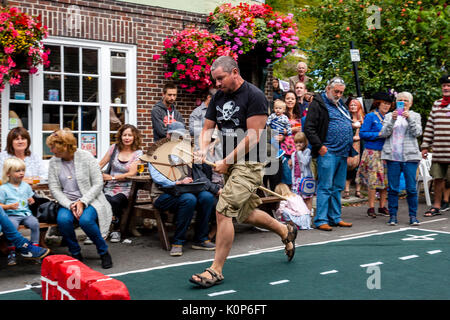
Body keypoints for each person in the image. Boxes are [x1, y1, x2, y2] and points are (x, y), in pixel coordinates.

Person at [189, 56, 297, 288]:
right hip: (232, 163)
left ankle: (215, 270)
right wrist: (202, 150)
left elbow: (254, 136)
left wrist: (226, 161)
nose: (217, 84)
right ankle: (284, 230)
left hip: (252, 163)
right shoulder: (218, 97)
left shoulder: (255, 95)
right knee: (244, 213)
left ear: (234, 72)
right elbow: (208, 128)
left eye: (220, 78)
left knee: (224, 210)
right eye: (215, 80)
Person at [143, 121, 218, 257]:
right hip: (162, 194)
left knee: (206, 197)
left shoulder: (186, 151)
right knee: (188, 200)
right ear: (168, 135)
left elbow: (200, 176)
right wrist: (177, 182)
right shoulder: (156, 152)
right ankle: (178, 242)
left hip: (185, 191)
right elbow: (157, 177)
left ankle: (201, 239)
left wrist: (199, 161)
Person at [46, 129, 113, 269]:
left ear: (64, 146)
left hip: (91, 199)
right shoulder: (53, 162)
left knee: (86, 220)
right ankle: (75, 253)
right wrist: (70, 204)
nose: (51, 150)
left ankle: (103, 251)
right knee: (63, 220)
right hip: (67, 202)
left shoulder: (86, 157)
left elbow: (98, 183)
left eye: (53, 147)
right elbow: (54, 188)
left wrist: (82, 201)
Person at [303, 77, 354, 231]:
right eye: (336, 91)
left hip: (342, 152)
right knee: (325, 186)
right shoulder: (319, 104)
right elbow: (309, 127)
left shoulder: (340, 105)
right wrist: (319, 146)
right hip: (328, 151)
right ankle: (321, 220)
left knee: (337, 187)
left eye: (341, 92)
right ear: (328, 89)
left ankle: (335, 217)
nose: (338, 94)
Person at [379, 92, 422, 225]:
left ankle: (413, 216)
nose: (403, 103)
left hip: (410, 156)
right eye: (400, 101)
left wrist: (409, 119)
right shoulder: (388, 116)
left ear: (410, 103)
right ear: (396, 103)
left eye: (405, 101)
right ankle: (393, 216)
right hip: (393, 156)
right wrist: (392, 119)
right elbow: (384, 133)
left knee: (411, 188)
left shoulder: (415, 115)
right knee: (393, 188)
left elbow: (417, 133)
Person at [98, 124, 143, 243]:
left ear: (134, 137)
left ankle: (116, 230)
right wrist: (96, 173)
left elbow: (131, 173)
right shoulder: (114, 148)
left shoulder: (138, 153)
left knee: (115, 201)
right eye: (124, 135)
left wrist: (112, 177)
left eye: (130, 135)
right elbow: (101, 164)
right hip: (109, 187)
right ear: (120, 136)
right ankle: (100, 231)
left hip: (127, 188)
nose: (127, 138)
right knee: (103, 200)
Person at [356, 92, 392, 218]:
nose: (386, 106)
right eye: (384, 103)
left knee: (385, 180)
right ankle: (371, 207)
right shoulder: (371, 116)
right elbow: (363, 134)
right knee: (373, 180)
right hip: (373, 151)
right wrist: (377, 135)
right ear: (378, 103)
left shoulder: (389, 117)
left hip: (386, 151)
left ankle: (382, 206)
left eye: (388, 104)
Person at [0, 158, 39, 266]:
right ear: (8, 173)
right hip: (12, 215)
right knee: (12, 226)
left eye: (23, 170)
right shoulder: (3, 188)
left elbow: (30, 196)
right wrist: (8, 206)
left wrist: (31, 200)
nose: (21, 173)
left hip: (26, 214)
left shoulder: (26, 186)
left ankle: (34, 248)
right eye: (17, 171)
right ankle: (11, 251)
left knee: (35, 223)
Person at [421, 74, 450, 217]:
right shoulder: (436, 104)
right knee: (438, 179)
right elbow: (430, 126)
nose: (446, 88)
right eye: (444, 85)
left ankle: (446, 201)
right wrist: (425, 146)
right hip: (439, 150)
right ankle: (437, 206)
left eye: (448, 86)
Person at [343, 99, 365, 199]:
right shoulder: (346, 117)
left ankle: (358, 190)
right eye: (351, 105)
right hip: (350, 144)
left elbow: (366, 131)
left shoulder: (363, 118)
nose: (352, 107)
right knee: (349, 167)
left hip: (361, 144)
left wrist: (360, 137)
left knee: (359, 167)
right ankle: (346, 190)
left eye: (355, 105)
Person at [290, 132, 314, 211]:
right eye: (296, 142)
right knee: (298, 200)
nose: (298, 144)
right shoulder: (293, 154)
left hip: (305, 179)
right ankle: (302, 216)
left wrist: (299, 152)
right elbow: (294, 168)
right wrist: (290, 165)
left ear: (305, 142)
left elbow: (305, 162)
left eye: (301, 142)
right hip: (296, 180)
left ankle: (308, 216)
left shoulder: (307, 151)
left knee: (307, 199)